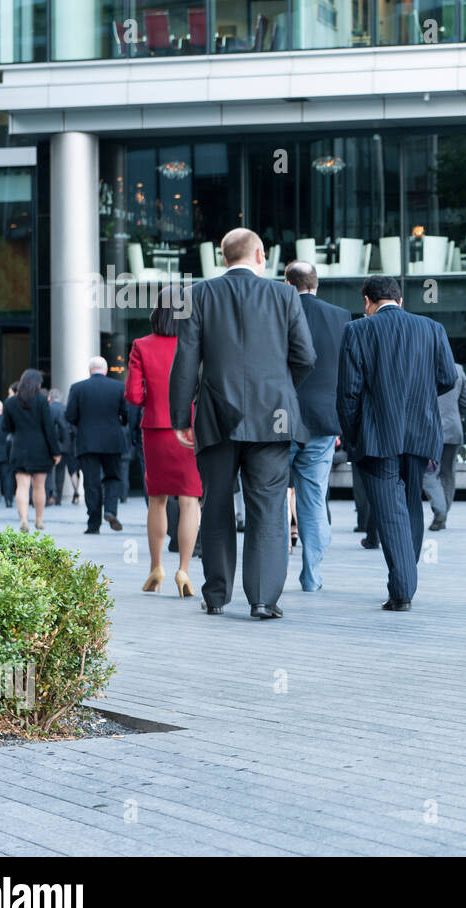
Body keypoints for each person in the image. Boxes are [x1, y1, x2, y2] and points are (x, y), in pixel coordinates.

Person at [169, 227, 316, 620]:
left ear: (222, 258)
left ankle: (217, 595)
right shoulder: (285, 294)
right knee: (268, 508)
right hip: (274, 417)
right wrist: (281, 389)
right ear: (261, 256)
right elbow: (305, 356)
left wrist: (181, 417)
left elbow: (185, 360)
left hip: (216, 417)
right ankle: (263, 600)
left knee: (215, 504)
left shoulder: (199, 293)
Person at [338, 276, 457, 610]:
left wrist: (352, 436)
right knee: (410, 505)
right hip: (420, 431)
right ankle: (406, 577)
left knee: (390, 509)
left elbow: (348, 392)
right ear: (400, 300)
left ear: (367, 301)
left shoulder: (357, 331)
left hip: (376, 435)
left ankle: (403, 588)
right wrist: (417, 397)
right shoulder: (432, 329)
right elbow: (448, 378)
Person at [126, 286, 201, 598]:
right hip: (190, 430)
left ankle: (156, 567)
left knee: (157, 499)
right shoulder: (196, 343)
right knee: (189, 500)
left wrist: (151, 399)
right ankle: (184, 570)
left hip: (155, 429)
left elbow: (133, 395)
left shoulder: (141, 345)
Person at [284, 260, 351, 591]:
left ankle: (273, 574)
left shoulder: (276, 311)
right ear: (316, 283)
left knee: (274, 499)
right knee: (313, 499)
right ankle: (312, 577)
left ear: (287, 283)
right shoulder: (340, 317)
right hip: (324, 423)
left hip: (279, 421)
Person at [66, 355, 130, 534]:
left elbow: (70, 416)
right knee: (113, 477)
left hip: (87, 442)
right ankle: (110, 510)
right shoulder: (118, 387)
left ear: (89, 370)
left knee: (91, 483)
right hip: (112, 441)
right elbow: (126, 414)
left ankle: (93, 524)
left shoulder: (77, 388)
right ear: (106, 370)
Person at [1, 368, 61, 532]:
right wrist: (55, 452)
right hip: (40, 449)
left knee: (21, 485)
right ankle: (39, 519)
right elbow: (49, 428)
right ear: (37, 384)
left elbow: (6, 427)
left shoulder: (10, 403)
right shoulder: (42, 401)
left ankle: (23, 520)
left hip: (19, 447)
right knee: (39, 486)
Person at [424, 362, 466, 531]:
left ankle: (440, 510)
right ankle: (442, 514)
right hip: (453, 430)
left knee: (428, 472)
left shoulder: (425, 367)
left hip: (430, 430)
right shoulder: (459, 369)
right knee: (448, 474)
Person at [44, 388, 71, 506]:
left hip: (49, 445)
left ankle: (48, 495)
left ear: (49, 397)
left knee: (48, 472)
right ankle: (58, 497)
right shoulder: (66, 409)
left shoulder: (47, 409)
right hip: (64, 446)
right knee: (61, 472)